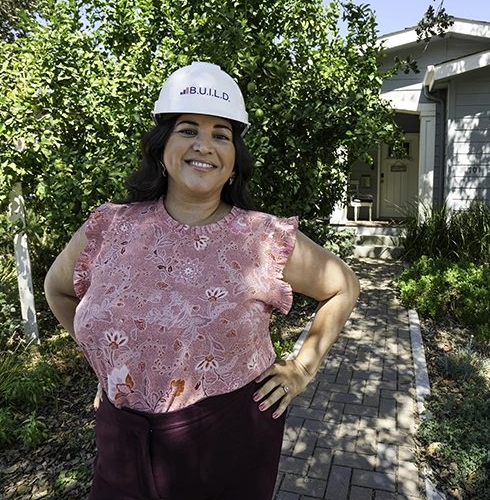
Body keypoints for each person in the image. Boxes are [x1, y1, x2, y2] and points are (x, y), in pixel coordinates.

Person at [44, 61, 360, 500]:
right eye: (188, 129)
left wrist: (302, 368)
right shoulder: (109, 226)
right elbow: (57, 290)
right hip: (120, 438)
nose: (204, 145)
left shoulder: (263, 237)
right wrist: (106, 365)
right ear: (161, 148)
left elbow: (342, 285)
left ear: (233, 160)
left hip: (229, 440)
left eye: (221, 135)